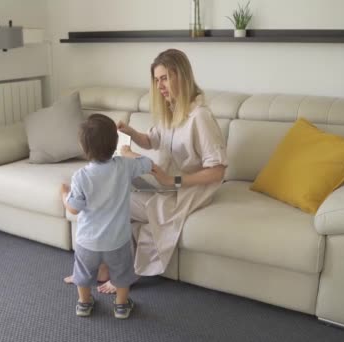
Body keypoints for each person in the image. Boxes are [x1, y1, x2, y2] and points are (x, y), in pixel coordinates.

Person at [64, 48, 227, 294]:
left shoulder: (200, 117)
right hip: (169, 180)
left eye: (164, 78)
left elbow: (217, 171)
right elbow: (152, 140)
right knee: (119, 197)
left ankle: (127, 275)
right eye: (156, 79)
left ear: (180, 77)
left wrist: (175, 179)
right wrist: (130, 132)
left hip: (193, 187)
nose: (159, 86)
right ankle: (103, 267)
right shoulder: (171, 110)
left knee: (148, 211)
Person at [61, 113, 153, 318]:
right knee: (122, 274)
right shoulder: (124, 166)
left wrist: (64, 195)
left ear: (84, 149)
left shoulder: (80, 177)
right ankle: (121, 305)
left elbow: (74, 209)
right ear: (115, 143)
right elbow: (148, 163)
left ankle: (84, 303)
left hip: (87, 241)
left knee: (83, 275)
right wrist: (128, 153)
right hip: (117, 240)